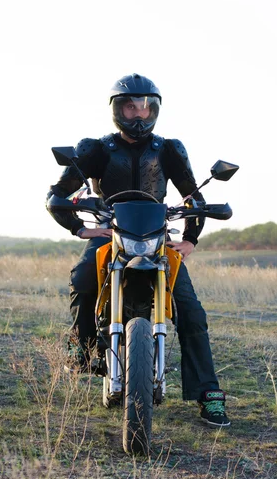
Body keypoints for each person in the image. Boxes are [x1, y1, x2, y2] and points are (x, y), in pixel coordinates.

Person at [46, 73, 230, 428]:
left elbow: (194, 196)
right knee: (83, 277)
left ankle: (210, 396)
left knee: (191, 311)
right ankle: (80, 349)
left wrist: (190, 238)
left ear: (155, 110)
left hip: (157, 236)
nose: (138, 115)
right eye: (130, 107)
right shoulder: (95, 148)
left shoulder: (169, 149)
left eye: (146, 107)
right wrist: (80, 227)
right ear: (117, 109)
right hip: (110, 232)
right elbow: (56, 196)